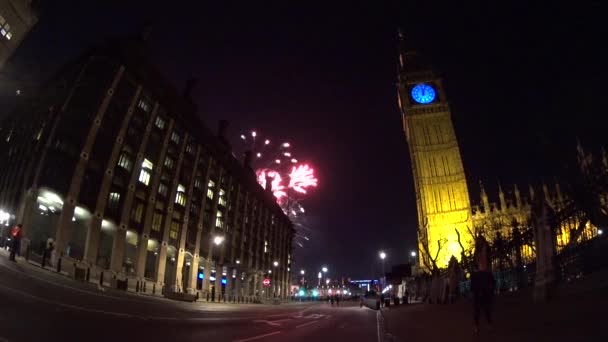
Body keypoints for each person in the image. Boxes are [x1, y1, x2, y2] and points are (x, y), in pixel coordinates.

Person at [471, 235, 495, 333]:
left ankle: (487, 323)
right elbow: (476, 268)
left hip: (484, 277)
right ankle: (477, 324)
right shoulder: (477, 254)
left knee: (486, 303)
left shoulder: (486, 253)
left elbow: (488, 267)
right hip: (479, 279)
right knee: (479, 304)